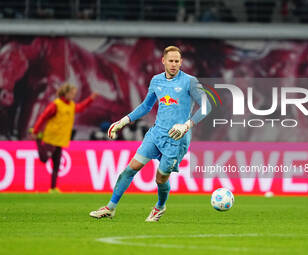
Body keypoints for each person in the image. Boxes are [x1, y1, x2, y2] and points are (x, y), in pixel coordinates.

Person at [89, 46, 211, 222]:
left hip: (177, 139)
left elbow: (207, 106)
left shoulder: (189, 82)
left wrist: (187, 125)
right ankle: (110, 208)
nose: (174, 64)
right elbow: (146, 106)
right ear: (163, 61)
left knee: (160, 179)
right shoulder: (156, 81)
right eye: (171, 61)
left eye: (177, 61)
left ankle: (160, 207)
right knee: (130, 169)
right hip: (156, 134)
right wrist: (123, 121)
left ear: (181, 62)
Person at [31, 83, 97, 192]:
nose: (73, 96)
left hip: (61, 140)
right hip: (51, 138)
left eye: (74, 94)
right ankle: (38, 141)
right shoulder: (56, 105)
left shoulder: (71, 105)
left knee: (56, 165)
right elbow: (43, 117)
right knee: (44, 159)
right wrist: (36, 130)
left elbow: (80, 107)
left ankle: (53, 188)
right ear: (65, 93)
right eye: (71, 93)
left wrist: (90, 99)